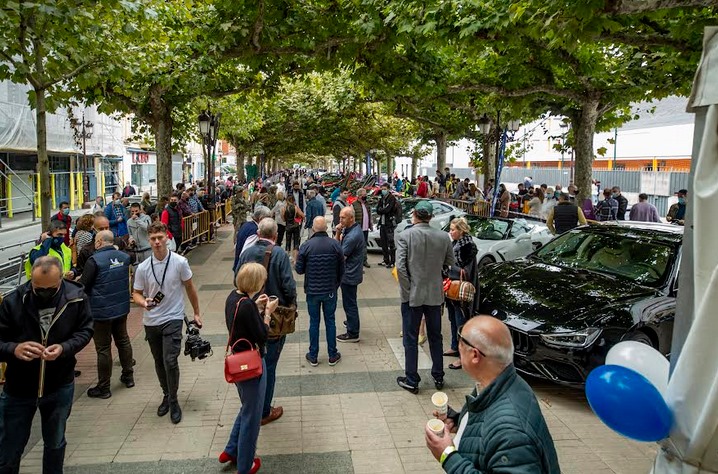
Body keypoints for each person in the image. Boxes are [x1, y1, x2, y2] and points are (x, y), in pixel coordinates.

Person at [425, 316, 560, 473]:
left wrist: (447, 455)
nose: (458, 346)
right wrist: (458, 420)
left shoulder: (510, 432)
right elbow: (487, 421)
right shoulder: (505, 382)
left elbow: (501, 431)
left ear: (475, 355)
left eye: (460, 340)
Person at [0, 257, 93, 473]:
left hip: (59, 385)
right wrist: (14, 349)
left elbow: (85, 331)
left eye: (49, 289)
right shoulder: (13, 301)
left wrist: (64, 348)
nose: (42, 294)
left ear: (61, 279)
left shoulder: (76, 298)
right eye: (37, 288)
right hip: (18, 389)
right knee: (9, 448)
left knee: (55, 442)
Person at [132, 222, 202, 424]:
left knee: (170, 360)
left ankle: (173, 400)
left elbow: (190, 288)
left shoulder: (180, 262)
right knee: (159, 361)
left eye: (159, 238)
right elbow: (136, 293)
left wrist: (196, 313)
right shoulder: (144, 267)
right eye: (152, 239)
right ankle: (166, 394)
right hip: (151, 321)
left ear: (167, 238)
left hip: (173, 317)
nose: (156, 242)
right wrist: (143, 302)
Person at [218, 263, 278, 474]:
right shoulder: (247, 305)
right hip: (251, 364)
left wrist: (255, 306)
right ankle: (246, 464)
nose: (263, 284)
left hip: (238, 359)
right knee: (252, 416)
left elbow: (242, 320)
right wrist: (267, 313)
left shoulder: (234, 298)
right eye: (261, 280)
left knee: (246, 407)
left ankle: (232, 449)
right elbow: (262, 334)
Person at [237, 219, 296, 427]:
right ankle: (264, 410)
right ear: (275, 235)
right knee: (269, 364)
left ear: (259, 233)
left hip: (249, 314)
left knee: (253, 360)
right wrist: (291, 304)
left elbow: (237, 278)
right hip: (274, 317)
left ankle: (251, 401)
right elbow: (289, 286)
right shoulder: (279, 254)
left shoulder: (246, 253)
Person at [396, 201, 454, 393]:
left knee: (410, 338)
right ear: (431, 216)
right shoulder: (443, 236)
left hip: (412, 295)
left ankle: (412, 379)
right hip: (435, 294)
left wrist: (407, 291)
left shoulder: (405, 235)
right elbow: (449, 262)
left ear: (415, 214)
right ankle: (438, 375)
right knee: (435, 336)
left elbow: (401, 268)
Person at [80, 230, 135, 399]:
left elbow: (84, 285)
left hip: (101, 311)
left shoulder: (94, 260)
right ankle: (128, 376)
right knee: (123, 341)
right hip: (121, 307)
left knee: (103, 348)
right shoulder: (124, 258)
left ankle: (104, 387)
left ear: (99, 242)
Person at [295, 217, 344, 367]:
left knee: (314, 322)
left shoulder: (306, 246)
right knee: (330, 321)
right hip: (329, 290)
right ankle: (332, 354)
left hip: (312, 291)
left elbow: (299, 269)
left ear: (314, 229)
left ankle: (313, 355)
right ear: (327, 227)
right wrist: (335, 285)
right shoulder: (335, 245)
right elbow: (342, 269)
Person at [444, 218, 478, 370]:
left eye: (453, 230)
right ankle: (454, 346)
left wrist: (451, 268)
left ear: (462, 230)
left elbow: (466, 271)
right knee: (453, 319)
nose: (450, 232)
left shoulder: (467, 247)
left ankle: (462, 357)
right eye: (450, 229)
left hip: (460, 291)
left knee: (461, 323)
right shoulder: (455, 244)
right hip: (452, 288)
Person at [335, 207, 366, 344]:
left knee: (350, 303)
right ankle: (351, 322)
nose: (340, 220)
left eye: (343, 218)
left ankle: (353, 332)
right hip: (350, 273)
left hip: (349, 275)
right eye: (340, 217)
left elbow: (340, 256)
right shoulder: (351, 230)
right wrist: (338, 232)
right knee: (350, 302)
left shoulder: (353, 236)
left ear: (351, 218)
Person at [376, 182, 399, 268]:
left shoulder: (392, 198)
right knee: (383, 243)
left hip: (389, 224)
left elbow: (387, 210)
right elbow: (378, 210)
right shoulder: (382, 198)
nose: (383, 191)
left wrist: (382, 209)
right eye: (382, 189)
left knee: (390, 243)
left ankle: (392, 261)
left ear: (388, 189)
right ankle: (386, 260)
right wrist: (382, 209)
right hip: (382, 223)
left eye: (385, 189)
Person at [351, 188, 373, 268]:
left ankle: (364, 260)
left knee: (364, 245)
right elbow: (352, 217)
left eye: (365, 195)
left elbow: (369, 215)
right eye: (364, 195)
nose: (365, 196)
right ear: (359, 196)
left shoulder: (367, 204)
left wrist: (371, 225)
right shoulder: (354, 205)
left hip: (365, 228)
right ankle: (358, 262)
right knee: (358, 246)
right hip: (358, 228)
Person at [282, 195, 304, 262]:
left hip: (288, 226)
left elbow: (283, 219)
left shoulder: (284, 208)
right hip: (295, 226)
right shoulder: (296, 207)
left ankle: (287, 255)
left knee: (288, 241)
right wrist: (299, 219)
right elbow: (302, 215)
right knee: (296, 241)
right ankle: (295, 258)